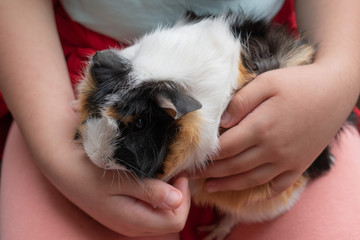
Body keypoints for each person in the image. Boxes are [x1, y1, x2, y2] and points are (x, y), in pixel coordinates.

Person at [0, 0, 359, 240]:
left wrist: (336, 79)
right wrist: (58, 156)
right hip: (44, 91)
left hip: (294, 104)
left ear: (174, 109)